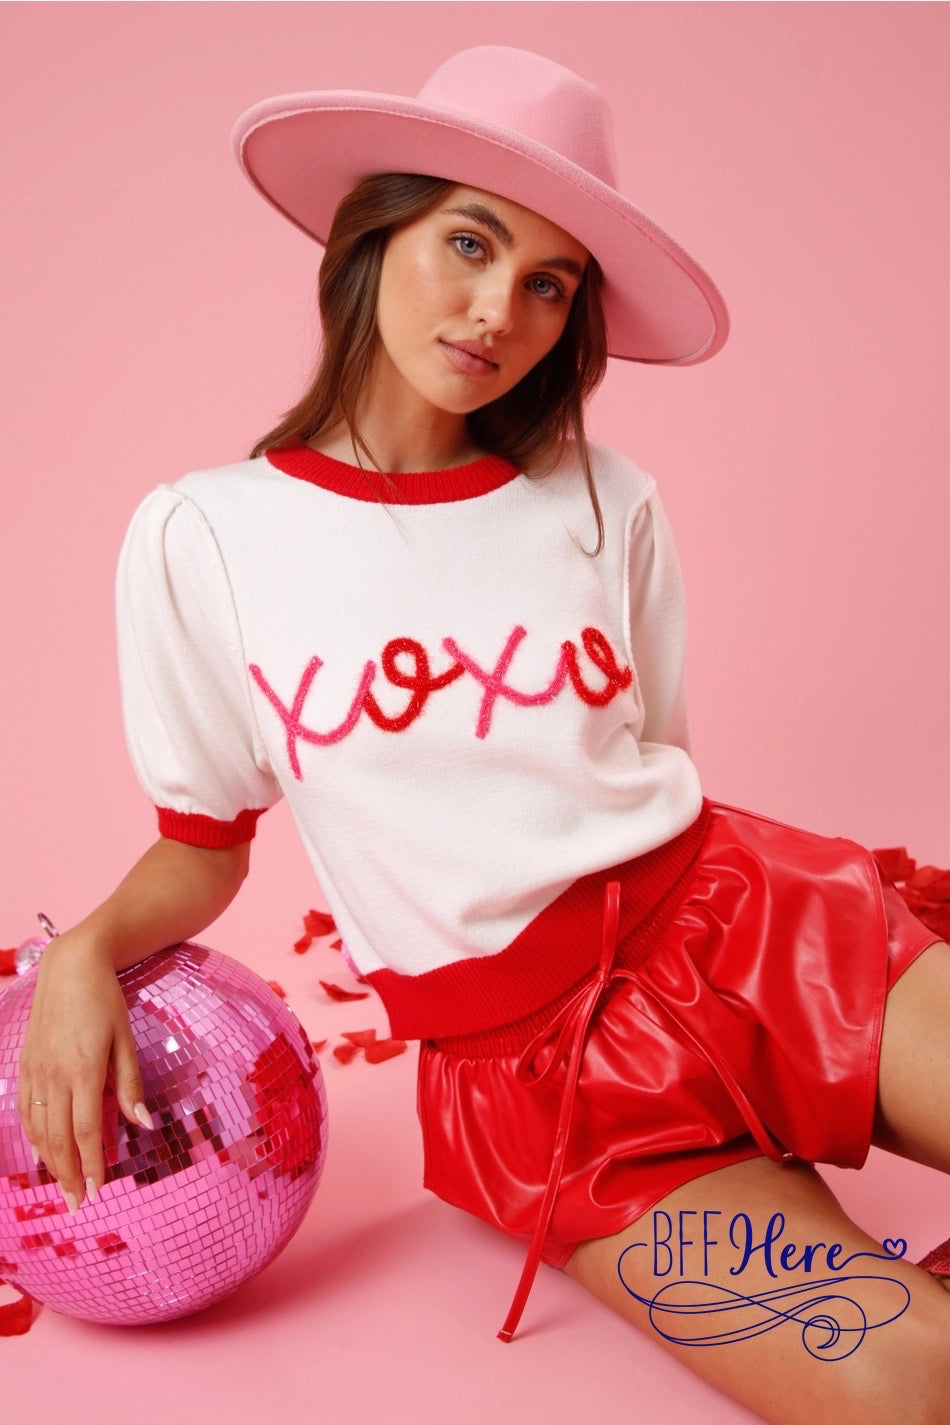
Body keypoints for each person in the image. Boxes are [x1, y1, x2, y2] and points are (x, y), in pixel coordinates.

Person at [15, 46, 950, 1424]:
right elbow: (205, 841)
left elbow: (655, 767)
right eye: (468, 242)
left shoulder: (607, 498)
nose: (498, 309)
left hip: (754, 936)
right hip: (547, 1092)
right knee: (915, 1381)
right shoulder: (205, 534)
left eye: (548, 282)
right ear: (370, 238)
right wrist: (85, 949)